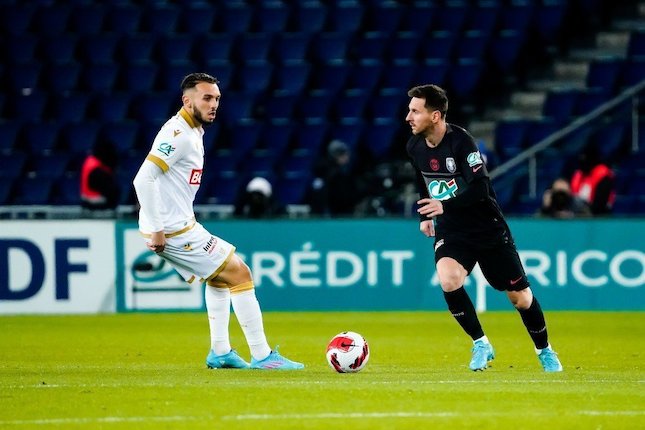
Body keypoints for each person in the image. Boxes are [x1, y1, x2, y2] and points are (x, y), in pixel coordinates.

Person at [132, 72, 303, 370]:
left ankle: (221, 352)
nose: (214, 105)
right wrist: (158, 230)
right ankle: (263, 356)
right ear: (187, 101)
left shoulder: (193, 131)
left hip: (179, 223)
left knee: (220, 277)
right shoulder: (178, 135)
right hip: (173, 229)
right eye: (207, 98)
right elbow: (143, 178)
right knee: (240, 272)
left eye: (217, 99)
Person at [404, 84, 563, 372]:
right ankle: (480, 343)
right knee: (448, 279)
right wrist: (424, 215)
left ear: (436, 115)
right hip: (453, 229)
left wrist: (444, 206)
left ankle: (545, 350)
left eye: (415, 111)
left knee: (520, 298)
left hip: (487, 228)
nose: (408, 117)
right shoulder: (414, 146)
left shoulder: (461, 143)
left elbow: (480, 189)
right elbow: (422, 180)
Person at [308, 139, 363, 217]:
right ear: (336, 155)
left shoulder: (341, 172)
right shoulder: (330, 174)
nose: (347, 157)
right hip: (331, 213)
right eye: (344, 154)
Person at [570, 145, 615, 215]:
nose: (582, 163)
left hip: (598, 216)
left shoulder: (603, 175)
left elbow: (600, 204)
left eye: (585, 159)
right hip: (576, 214)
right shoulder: (578, 174)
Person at [80, 139, 120, 210]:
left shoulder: (90, 160)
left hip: (87, 197)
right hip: (92, 200)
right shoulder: (96, 168)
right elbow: (107, 189)